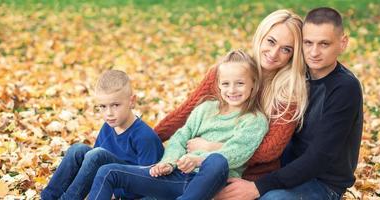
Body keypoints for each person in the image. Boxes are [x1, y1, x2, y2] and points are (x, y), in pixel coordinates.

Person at [215, 7, 363, 200]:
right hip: (279, 172)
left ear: (343, 43)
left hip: (321, 183)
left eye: (324, 44)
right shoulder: (294, 77)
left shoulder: (344, 88)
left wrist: (257, 187)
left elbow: (319, 158)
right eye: (308, 43)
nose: (314, 52)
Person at [88, 50, 269, 200]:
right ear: (219, 86)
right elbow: (181, 138)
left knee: (217, 160)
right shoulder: (206, 109)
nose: (232, 90)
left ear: (253, 84)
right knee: (108, 171)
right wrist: (168, 163)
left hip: (213, 183)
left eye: (239, 83)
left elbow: (237, 152)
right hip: (179, 176)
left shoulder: (254, 120)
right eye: (226, 84)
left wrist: (198, 159)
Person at [154, 9, 308, 181]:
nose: (273, 53)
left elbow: (269, 150)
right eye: (271, 41)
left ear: (293, 55)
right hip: (193, 167)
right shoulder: (229, 70)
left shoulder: (289, 93)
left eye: (286, 49)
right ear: (261, 37)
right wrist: (151, 137)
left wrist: (212, 147)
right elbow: (184, 114)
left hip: (247, 178)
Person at [41, 70, 164, 200]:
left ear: (131, 101)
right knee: (77, 150)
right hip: (108, 181)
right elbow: (92, 168)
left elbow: (149, 182)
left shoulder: (144, 136)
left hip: (134, 191)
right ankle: (48, 197)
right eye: (103, 106)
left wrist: (117, 193)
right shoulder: (108, 127)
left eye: (115, 105)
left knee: (97, 154)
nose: (109, 113)